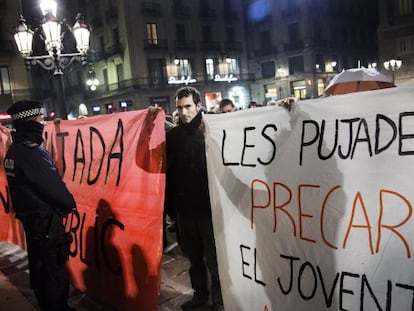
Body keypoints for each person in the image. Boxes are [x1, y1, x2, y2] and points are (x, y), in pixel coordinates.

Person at [4, 100, 76, 311]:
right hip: (46, 225)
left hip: (32, 224)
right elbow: (55, 190)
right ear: (31, 122)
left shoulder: (13, 152)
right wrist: (69, 203)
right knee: (54, 274)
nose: (43, 123)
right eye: (39, 119)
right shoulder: (32, 153)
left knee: (40, 270)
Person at [165, 86, 223, 310]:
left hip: (208, 210)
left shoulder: (213, 128)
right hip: (184, 211)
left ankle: (218, 300)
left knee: (215, 260)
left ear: (198, 106)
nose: (183, 112)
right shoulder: (173, 137)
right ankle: (200, 294)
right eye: (179, 108)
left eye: (188, 106)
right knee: (194, 258)